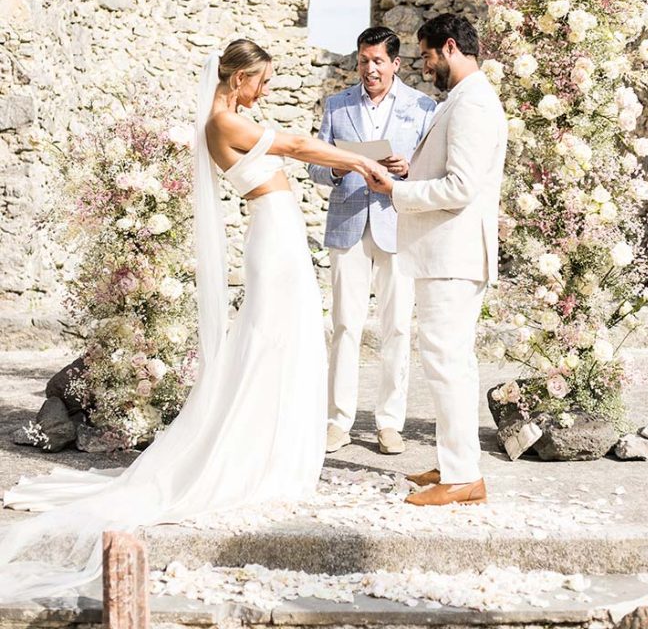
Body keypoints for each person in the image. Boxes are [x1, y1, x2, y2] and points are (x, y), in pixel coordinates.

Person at [0, 39, 383, 602]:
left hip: (276, 235)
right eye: (262, 80)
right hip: (273, 240)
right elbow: (299, 145)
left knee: (287, 341)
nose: (267, 89)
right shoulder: (222, 122)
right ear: (237, 80)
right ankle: (259, 457)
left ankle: (277, 449)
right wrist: (362, 159)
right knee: (272, 342)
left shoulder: (234, 115)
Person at [368, 14, 507, 506]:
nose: (425, 67)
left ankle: (464, 478)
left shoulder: (472, 104)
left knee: (447, 364)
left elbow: (461, 186)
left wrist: (398, 191)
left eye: (427, 56)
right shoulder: (463, 101)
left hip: (453, 255)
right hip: (446, 253)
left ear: (450, 48)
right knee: (451, 364)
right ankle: (455, 463)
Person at [309, 27, 435, 456]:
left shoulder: (422, 106)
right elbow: (316, 168)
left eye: (378, 61)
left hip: (397, 224)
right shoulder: (336, 104)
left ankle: (389, 422)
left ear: (396, 64)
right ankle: (338, 420)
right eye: (363, 61)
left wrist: (407, 169)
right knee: (344, 324)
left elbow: (433, 171)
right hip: (347, 224)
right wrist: (340, 168)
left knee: (397, 326)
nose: (369, 69)